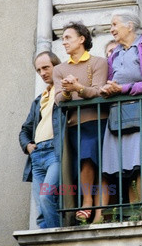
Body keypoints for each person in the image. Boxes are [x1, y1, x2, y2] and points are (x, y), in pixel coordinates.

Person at [99, 11, 142, 219]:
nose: (112, 29)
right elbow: (112, 81)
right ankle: (134, 214)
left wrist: (123, 89)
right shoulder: (115, 53)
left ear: (130, 26)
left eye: (115, 24)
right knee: (127, 165)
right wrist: (108, 89)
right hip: (120, 114)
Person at [53, 21, 109, 223]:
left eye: (68, 37)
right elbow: (58, 98)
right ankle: (87, 203)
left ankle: (99, 211)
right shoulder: (59, 69)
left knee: (100, 164)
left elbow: (98, 91)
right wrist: (68, 91)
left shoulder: (98, 62)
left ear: (82, 39)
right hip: (75, 125)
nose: (64, 42)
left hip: (98, 121)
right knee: (85, 161)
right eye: (63, 38)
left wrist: (77, 88)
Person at [19, 52, 63, 228]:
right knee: (40, 210)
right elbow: (25, 129)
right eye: (39, 70)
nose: (43, 73)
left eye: (46, 67)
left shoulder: (63, 92)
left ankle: (55, 238)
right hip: (37, 155)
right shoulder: (39, 100)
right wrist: (28, 146)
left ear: (56, 67)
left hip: (56, 151)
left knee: (46, 197)